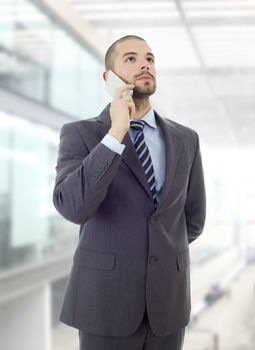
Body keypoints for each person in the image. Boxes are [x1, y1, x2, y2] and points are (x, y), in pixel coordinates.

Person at [52, 35, 206, 350]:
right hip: (107, 303)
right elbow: (73, 207)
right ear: (109, 78)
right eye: (131, 59)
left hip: (168, 306)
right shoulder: (81, 134)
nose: (145, 64)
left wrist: (155, 252)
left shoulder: (186, 139)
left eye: (150, 58)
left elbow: (193, 218)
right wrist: (115, 133)